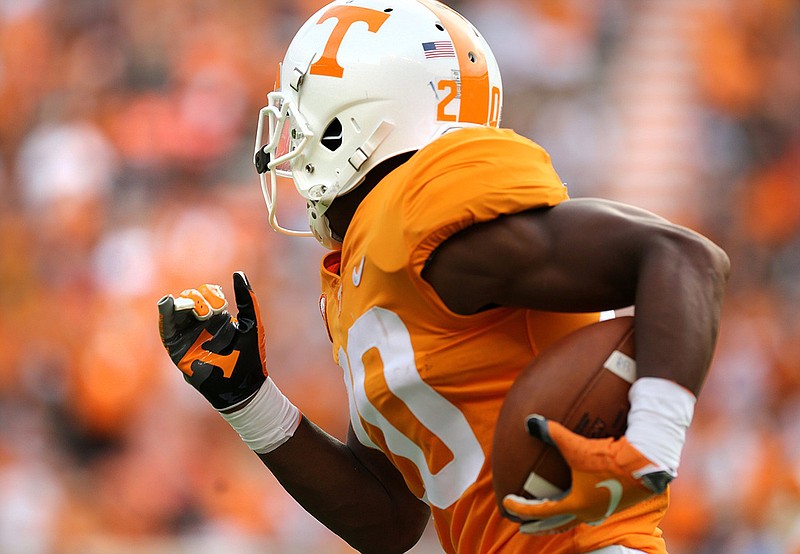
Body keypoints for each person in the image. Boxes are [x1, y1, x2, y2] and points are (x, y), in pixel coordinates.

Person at [157, 1, 730, 552]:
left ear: (350, 119)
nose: (287, 142)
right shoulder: (364, 261)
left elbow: (685, 259)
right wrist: (251, 402)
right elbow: (390, 520)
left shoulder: (421, 206)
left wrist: (649, 450)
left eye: (300, 115)